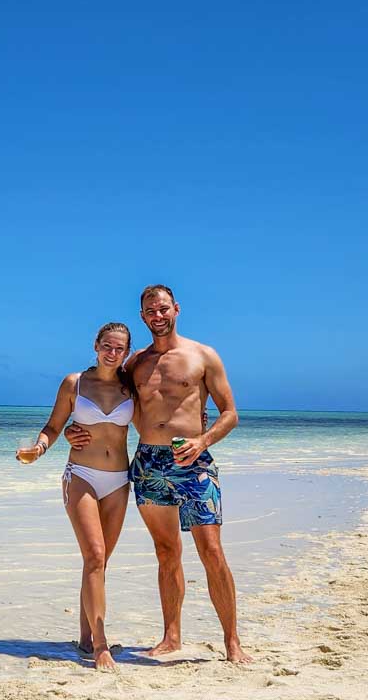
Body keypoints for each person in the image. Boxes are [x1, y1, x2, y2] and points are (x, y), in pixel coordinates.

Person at [65, 284, 251, 663]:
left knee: (212, 551)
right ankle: (171, 636)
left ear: (176, 309)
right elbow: (102, 401)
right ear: (143, 316)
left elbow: (230, 413)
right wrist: (71, 429)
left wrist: (203, 441)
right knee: (166, 551)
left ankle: (233, 642)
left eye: (163, 308)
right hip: (149, 463)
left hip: (194, 462)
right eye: (151, 310)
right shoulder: (134, 364)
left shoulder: (203, 355)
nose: (158, 315)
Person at [16, 322, 136, 671]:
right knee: (95, 555)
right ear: (96, 345)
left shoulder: (132, 386)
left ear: (127, 352)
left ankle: (85, 637)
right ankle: (100, 646)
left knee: (97, 563)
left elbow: (155, 418)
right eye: (107, 346)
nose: (112, 353)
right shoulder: (75, 383)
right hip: (81, 475)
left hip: (119, 480)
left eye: (120, 349)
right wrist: (39, 448)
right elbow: (53, 426)